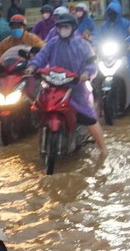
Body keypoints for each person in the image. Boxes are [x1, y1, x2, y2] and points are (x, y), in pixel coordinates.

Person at [25, 13, 108, 154]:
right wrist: (32, 66)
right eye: (60, 27)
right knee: (40, 108)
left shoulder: (83, 44)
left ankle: (104, 150)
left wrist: (86, 73)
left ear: (73, 27)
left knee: (89, 118)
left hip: (77, 88)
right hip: (54, 85)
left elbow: (91, 63)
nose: (63, 29)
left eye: (66, 26)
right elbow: (41, 57)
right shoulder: (52, 43)